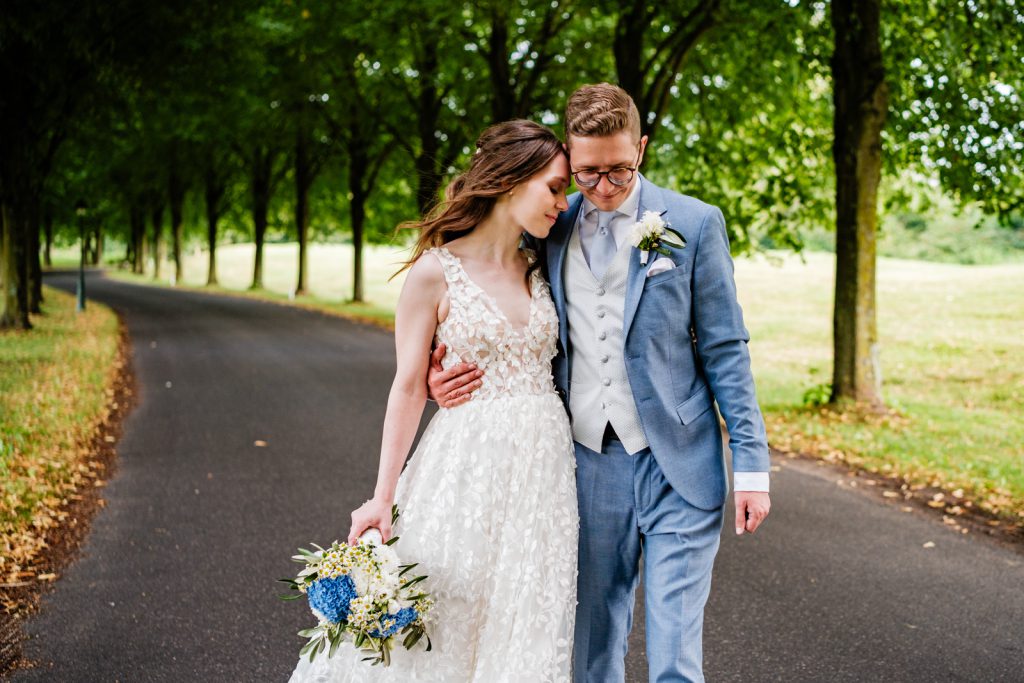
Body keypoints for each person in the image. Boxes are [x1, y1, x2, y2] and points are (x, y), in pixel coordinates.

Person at [428, 84, 772, 683]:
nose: (604, 188)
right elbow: (487, 295)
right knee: (592, 646)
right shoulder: (546, 230)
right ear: (568, 158)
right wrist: (443, 367)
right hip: (586, 462)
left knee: (674, 654)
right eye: (587, 174)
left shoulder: (694, 224)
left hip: (681, 462)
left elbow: (726, 351)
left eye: (620, 170)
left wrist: (752, 468)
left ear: (640, 147)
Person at [287, 119, 578, 683]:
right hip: (465, 468)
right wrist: (381, 498)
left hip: (545, 474)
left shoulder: (546, 265)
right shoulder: (432, 274)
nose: (563, 204)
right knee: (447, 619)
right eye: (554, 186)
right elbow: (408, 385)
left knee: (526, 621)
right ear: (509, 182)